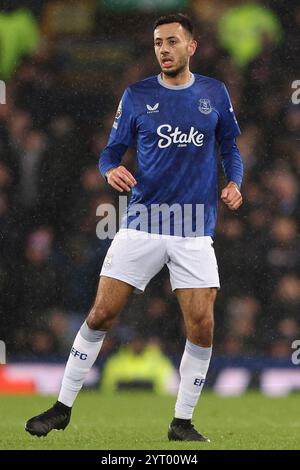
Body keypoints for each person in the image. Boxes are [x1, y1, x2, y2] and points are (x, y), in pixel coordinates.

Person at [25, 13, 243, 442]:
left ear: (191, 47)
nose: (163, 48)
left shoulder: (214, 93)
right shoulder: (137, 95)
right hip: (142, 223)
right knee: (101, 313)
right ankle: (62, 407)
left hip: (194, 229)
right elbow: (111, 151)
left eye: (172, 41)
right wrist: (110, 171)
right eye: (158, 42)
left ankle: (181, 422)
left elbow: (229, 145)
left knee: (202, 326)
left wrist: (235, 182)